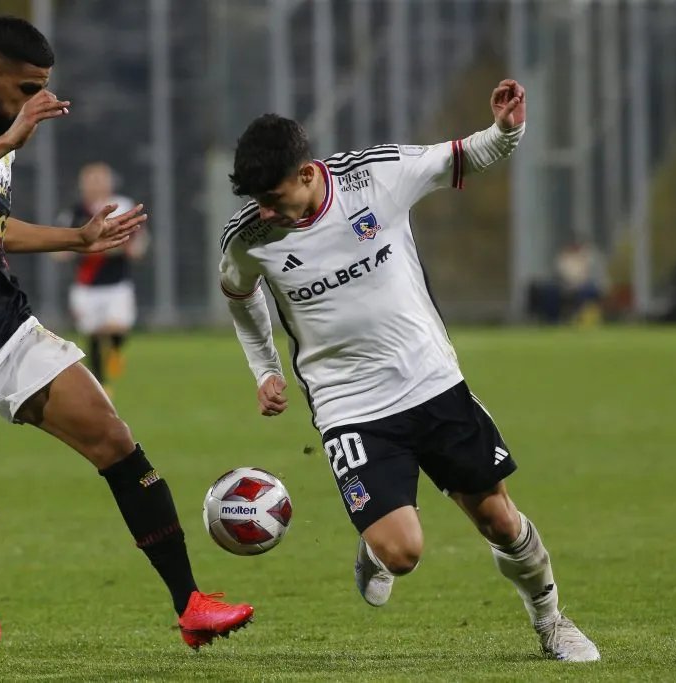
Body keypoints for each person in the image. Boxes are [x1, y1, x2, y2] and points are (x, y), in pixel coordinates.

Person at [0, 16, 252, 649]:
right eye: (28, 90)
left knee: (114, 439)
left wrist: (75, 239)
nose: (38, 104)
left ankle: (191, 604)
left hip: (5, 332)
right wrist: (11, 137)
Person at [219, 80, 599, 662]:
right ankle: (375, 549)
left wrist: (506, 128)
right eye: (256, 201)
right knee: (401, 552)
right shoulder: (249, 237)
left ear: (305, 172)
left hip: (431, 381)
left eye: (271, 197)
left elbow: (467, 155)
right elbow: (240, 295)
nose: (264, 211)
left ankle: (551, 622)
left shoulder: (373, 177)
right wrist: (264, 368)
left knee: (499, 520)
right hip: (349, 406)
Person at [54, 162, 149, 393]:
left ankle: (115, 350)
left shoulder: (122, 206)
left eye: (100, 178)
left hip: (117, 283)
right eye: (90, 179)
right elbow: (59, 246)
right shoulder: (75, 212)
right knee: (94, 333)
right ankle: (102, 384)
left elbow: (139, 238)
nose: (95, 184)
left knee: (117, 328)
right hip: (86, 287)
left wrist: (132, 248)